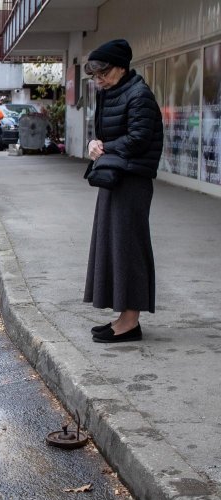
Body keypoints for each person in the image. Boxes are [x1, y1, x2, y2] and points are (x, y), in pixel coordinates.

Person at [83, 39, 164, 343]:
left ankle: (130, 322)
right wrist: (94, 143)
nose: (98, 80)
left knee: (129, 247)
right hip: (114, 177)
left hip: (132, 181)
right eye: (94, 75)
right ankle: (123, 316)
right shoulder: (112, 91)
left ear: (121, 67)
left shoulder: (139, 95)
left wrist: (104, 150)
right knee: (112, 246)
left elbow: (139, 138)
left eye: (103, 73)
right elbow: (107, 134)